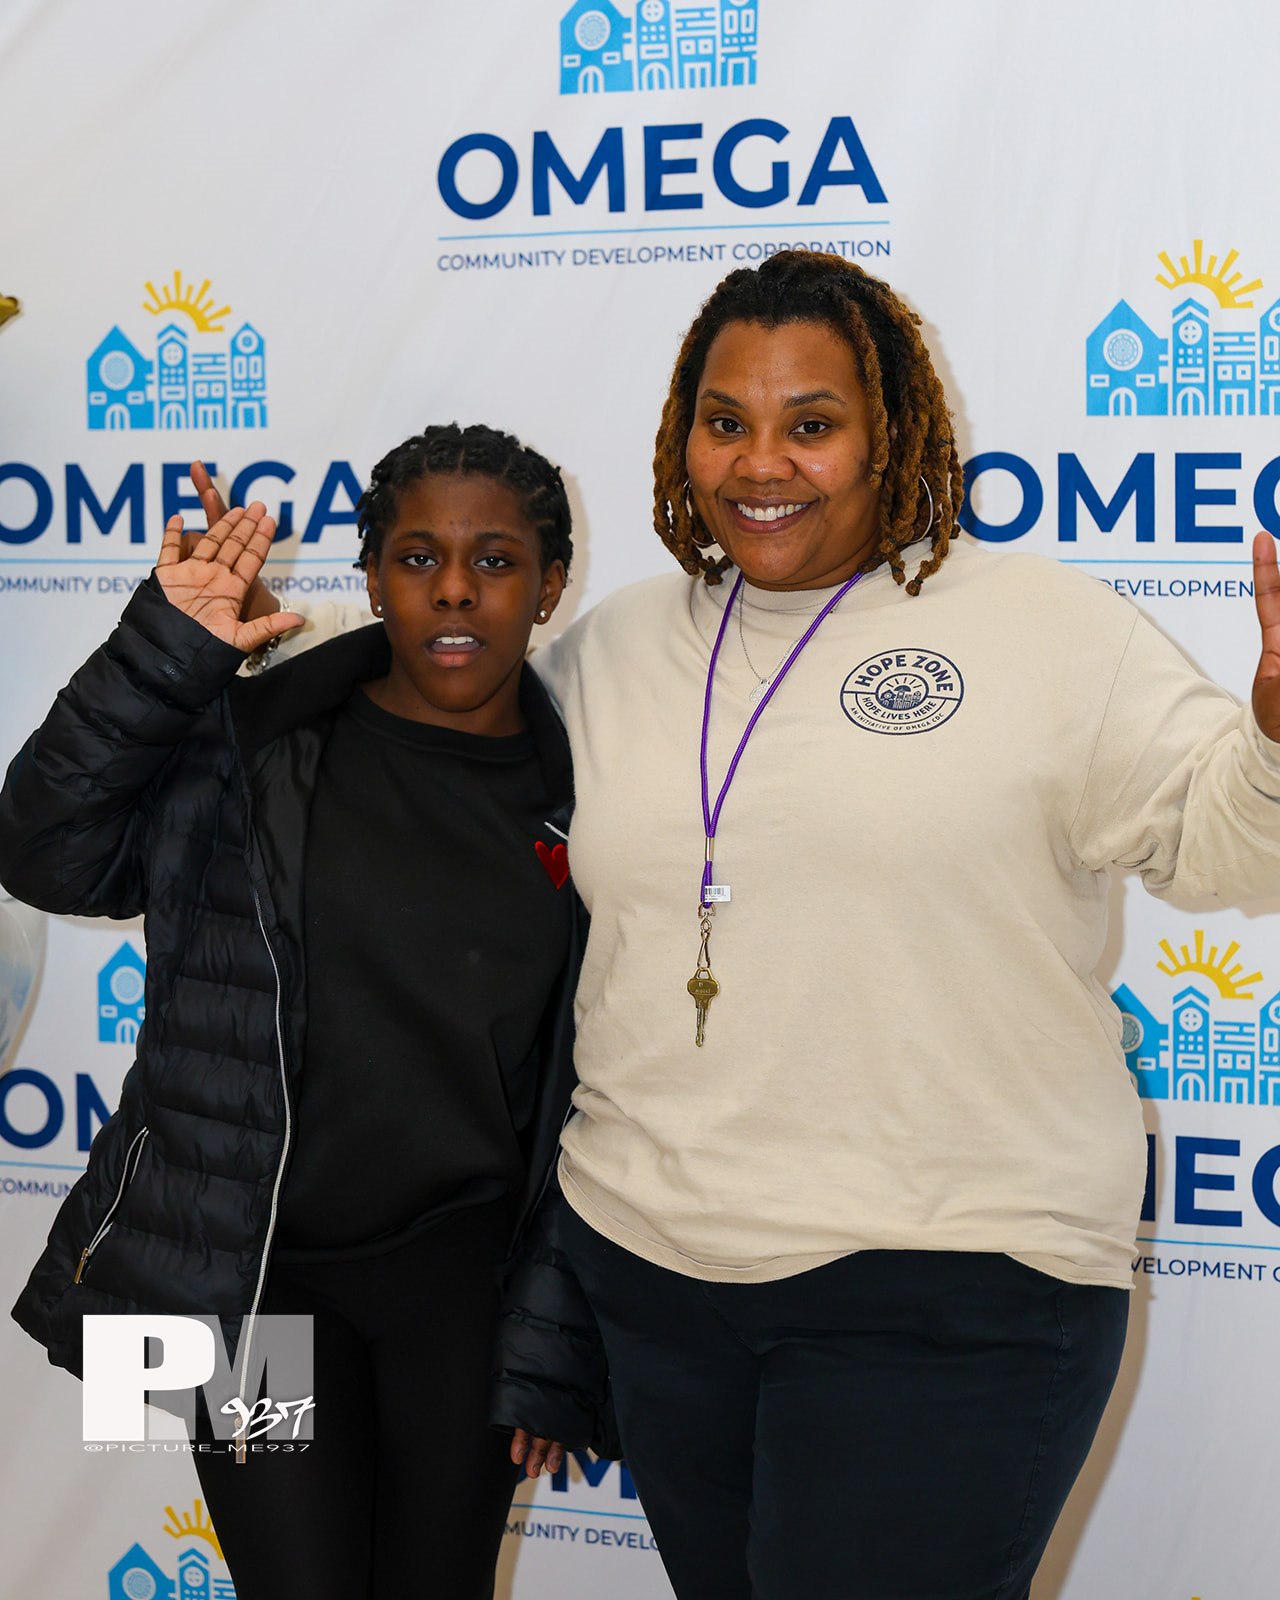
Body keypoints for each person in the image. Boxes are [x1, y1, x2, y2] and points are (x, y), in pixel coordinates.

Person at [500, 249, 1280, 1598]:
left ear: (889, 436)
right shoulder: (616, 649)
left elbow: (1227, 848)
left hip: (952, 1282)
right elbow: (433, 731)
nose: (761, 463)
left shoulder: (1051, 631)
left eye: (811, 423)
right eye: (725, 421)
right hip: (656, 1273)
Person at [0, 423, 582, 1600]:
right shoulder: (250, 739)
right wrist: (167, 651)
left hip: (460, 1294)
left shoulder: (594, 788)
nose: (454, 588)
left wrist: (563, 1330)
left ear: (550, 584)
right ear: (370, 577)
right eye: (416, 557)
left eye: (494, 559)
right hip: (245, 1282)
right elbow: (41, 858)